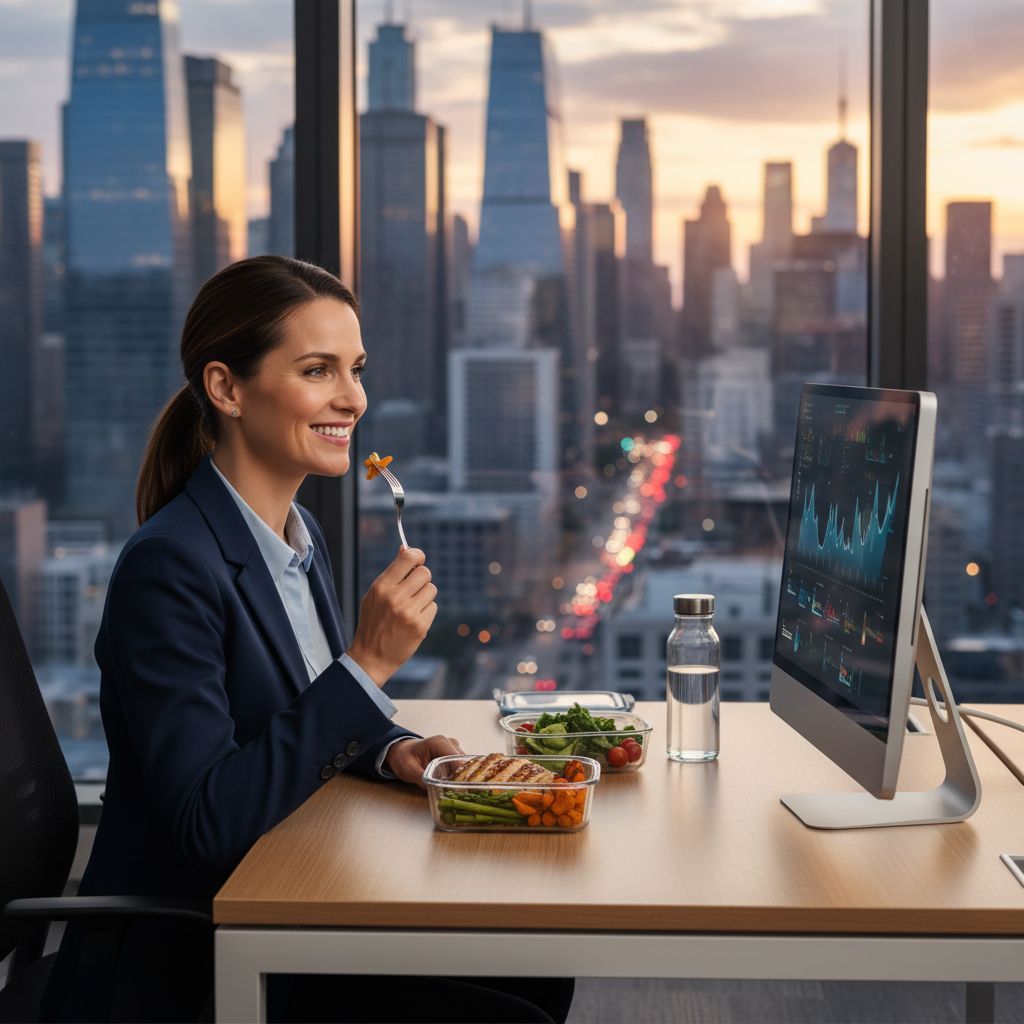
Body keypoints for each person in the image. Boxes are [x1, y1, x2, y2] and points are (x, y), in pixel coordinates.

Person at [42, 256, 574, 1024]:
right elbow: (208, 819)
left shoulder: (300, 535)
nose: (351, 398)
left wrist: (390, 748)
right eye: (318, 370)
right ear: (226, 388)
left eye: (355, 369)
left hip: (285, 899)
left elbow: (290, 715)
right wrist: (368, 664)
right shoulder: (168, 568)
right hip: (197, 955)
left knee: (537, 965)